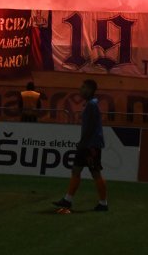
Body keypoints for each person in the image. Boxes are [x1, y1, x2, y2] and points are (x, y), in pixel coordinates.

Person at [53, 79, 109, 212]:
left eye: (83, 87)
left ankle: (103, 203)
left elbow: (90, 128)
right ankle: (67, 200)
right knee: (76, 170)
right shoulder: (90, 104)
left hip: (91, 145)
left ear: (89, 89)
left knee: (95, 173)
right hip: (89, 144)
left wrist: (82, 143)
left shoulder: (91, 105)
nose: (81, 89)